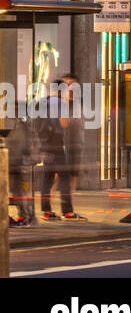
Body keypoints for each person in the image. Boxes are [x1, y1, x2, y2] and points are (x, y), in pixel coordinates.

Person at [37, 77, 86, 220]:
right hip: (56, 144)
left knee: (47, 178)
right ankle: (68, 211)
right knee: (64, 176)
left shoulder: (42, 102)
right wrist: (70, 121)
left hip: (44, 144)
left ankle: (46, 211)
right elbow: (63, 123)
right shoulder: (60, 103)